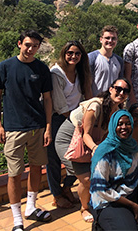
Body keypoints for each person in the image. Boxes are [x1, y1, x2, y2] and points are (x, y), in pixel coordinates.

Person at [0, 30, 53, 230]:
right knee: (14, 174)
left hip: (37, 127)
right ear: (19, 44)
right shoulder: (5, 67)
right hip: (13, 129)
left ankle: (31, 208)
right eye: (27, 45)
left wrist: (48, 127)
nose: (30, 49)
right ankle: (17, 219)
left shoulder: (41, 68)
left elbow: (48, 99)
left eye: (35, 46)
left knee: (36, 168)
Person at [55, 78, 131, 223]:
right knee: (87, 179)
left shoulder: (118, 111)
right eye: (118, 89)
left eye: (125, 91)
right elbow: (86, 135)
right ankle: (84, 208)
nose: (121, 93)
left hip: (91, 143)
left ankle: (72, 192)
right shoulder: (96, 105)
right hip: (71, 140)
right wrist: (97, 149)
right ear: (110, 89)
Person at [48, 41, 92, 210]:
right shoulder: (56, 73)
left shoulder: (82, 72)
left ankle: (66, 187)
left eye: (77, 54)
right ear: (64, 54)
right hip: (59, 118)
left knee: (79, 155)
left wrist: (90, 114)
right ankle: (56, 194)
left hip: (75, 119)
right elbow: (60, 105)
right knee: (53, 158)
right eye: (70, 53)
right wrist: (79, 122)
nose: (73, 56)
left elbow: (87, 95)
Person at [88, 25, 124, 97]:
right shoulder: (91, 58)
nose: (110, 41)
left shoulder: (119, 61)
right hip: (95, 102)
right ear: (101, 39)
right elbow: (86, 84)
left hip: (112, 103)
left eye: (113, 38)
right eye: (107, 38)